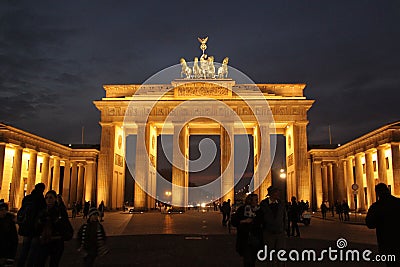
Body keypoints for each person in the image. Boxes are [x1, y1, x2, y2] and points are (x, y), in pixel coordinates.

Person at [34, 190, 73, 267]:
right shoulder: (43, 211)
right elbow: (37, 228)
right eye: (47, 198)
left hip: (57, 242)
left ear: (56, 199)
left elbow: (65, 225)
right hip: (44, 241)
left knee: (54, 263)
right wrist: (40, 222)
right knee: (39, 262)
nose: (48, 200)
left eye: (51, 198)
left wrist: (56, 221)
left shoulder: (60, 211)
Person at [366, 183, 400, 266]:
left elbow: (370, 224)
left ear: (377, 193)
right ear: (388, 190)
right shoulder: (398, 202)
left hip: (385, 242)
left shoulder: (376, 207)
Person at [17, 182, 47, 267]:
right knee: (33, 251)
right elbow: (43, 213)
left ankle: (20, 264)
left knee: (24, 248)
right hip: (35, 229)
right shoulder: (41, 200)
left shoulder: (27, 198)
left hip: (26, 228)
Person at [231, 194, 263, 267]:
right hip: (245, 238)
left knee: (253, 259)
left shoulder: (259, 210)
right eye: (255, 199)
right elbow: (234, 221)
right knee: (248, 260)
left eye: (257, 199)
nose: (257, 201)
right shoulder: (242, 210)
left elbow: (262, 221)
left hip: (255, 238)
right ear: (250, 200)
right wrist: (244, 221)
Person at [259, 186, 287, 267]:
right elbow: (260, 217)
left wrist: (284, 228)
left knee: (281, 254)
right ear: (272, 193)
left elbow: (285, 217)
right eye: (277, 192)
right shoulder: (263, 204)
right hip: (268, 233)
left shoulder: (281, 204)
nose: (279, 194)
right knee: (269, 254)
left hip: (280, 232)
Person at [0, 199, 18, 267]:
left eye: (5, 210)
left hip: (7, 253)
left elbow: (14, 240)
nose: (3, 212)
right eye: (1, 210)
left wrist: (10, 257)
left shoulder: (9, 222)